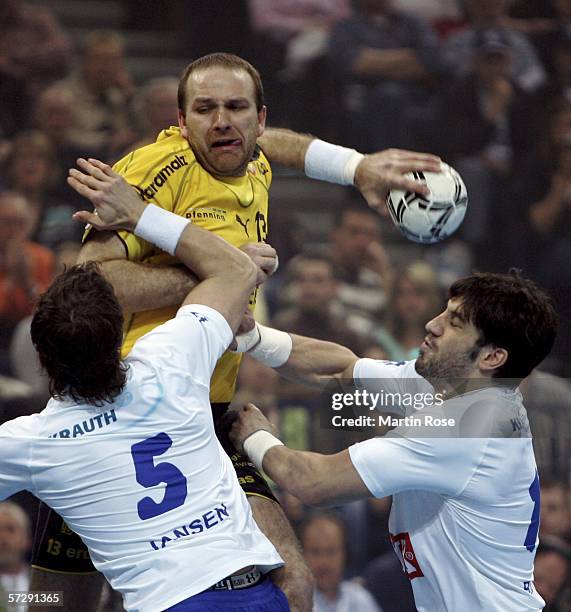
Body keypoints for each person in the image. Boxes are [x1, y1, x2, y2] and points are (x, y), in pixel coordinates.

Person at [30, 52, 442, 611]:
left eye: (235, 108)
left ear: (260, 118)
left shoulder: (252, 159)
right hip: (117, 407)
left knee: (294, 583)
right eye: (204, 109)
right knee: (60, 601)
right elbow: (88, 285)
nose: (221, 121)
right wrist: (223, 270)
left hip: (210, 413)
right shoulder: (153, 170)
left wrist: (358, 168)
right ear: (180, 121)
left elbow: (283, 148)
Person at [1, 166, 288, 611]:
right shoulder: (171, 357)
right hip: (256, 595)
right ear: (119, 335)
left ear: (41, 358)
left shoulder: (33, 441)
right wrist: (139, 213)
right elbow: (235, 270)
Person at [229, 271, 558, 611]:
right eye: (444, 311)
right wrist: (253, 337)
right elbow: (339, 369)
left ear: (491, 357)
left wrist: (255, 436)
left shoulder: (468, 428)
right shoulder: (451, 386)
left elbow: (316, 482)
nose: (433, 324)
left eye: (455, 323)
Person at [300, 513, 381, 612]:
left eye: (331, 551)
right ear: (301, 555)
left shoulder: (361, 599)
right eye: (315, 552)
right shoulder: (291, 602)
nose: (323, 562)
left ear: (345, 554)